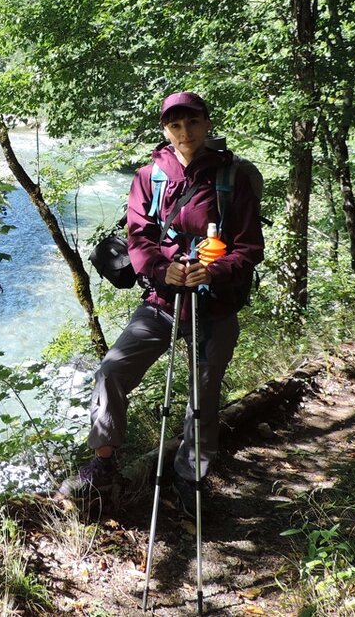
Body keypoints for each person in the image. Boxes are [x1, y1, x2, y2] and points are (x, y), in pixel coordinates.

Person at [66, 91, 264, 514]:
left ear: (207, 123)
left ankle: (190, 477)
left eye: (192, 122)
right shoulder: (149, 177)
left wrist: (213, 270)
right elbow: (139, 239)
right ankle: (103, 463)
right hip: (162, 301)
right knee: (112, 371)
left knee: (203, 398)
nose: (184, 132)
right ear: (165, 130)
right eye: (175, 125)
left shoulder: (234, 177)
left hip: (215, 306)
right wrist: (163, 268)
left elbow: (248, 248)